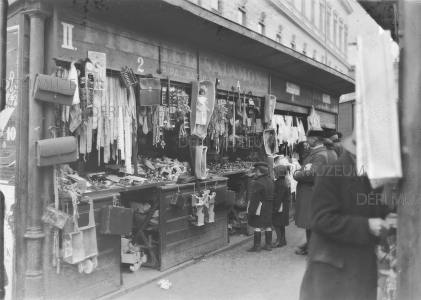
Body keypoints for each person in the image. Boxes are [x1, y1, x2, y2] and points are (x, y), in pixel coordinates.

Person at [299, 130, 393, 300]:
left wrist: (389, 214)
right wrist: (366, 226)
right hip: (333, 270)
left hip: (359, 268)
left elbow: (372, 207)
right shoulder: (331, 174)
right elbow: (320, 220)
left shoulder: (365, 175)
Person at [293, 127, 328, 255]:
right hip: (309, 192)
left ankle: (314, 250)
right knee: (309, 223)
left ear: (314, 139)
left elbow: (311, 174)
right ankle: (310, 246)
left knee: (312, 222)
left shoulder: (320, 155)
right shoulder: (316, 153)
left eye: (308, 138)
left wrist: (296, 174)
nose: (307, 141)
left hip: (312, 193)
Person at [247, 162, 275, 253]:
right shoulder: (271, 180)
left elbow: (255, 199)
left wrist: (251, 211)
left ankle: (257, 247)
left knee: (257, 226)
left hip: (260, 206)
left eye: (256, 171)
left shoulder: (258, 183)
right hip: (269, 206)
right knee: (268, 226)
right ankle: (268, 245)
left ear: (258, 171)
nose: (255, 173)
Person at [272, 165, 291, 248]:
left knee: (276, 223)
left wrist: (275, 209)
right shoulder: (283, 181)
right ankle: (283, 240)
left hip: (280, 206)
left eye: (275, 172)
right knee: (281, 224)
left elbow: (278, 198)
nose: (274, 174)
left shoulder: (279, 183)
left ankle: (279, 241)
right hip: (284, 206)